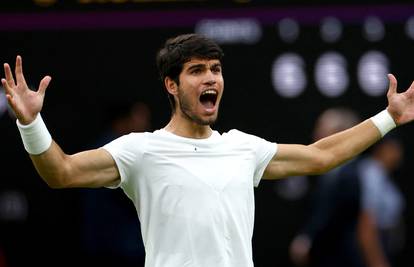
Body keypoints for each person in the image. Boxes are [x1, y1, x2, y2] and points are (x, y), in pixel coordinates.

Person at [2, 33, 414, 267]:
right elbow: (62, 172)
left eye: (214, 69)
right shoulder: (138, 152)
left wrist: (390, 117)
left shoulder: (243, 149)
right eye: (196, 70)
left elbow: (322, 156)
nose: (210, 78)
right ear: (171, 85)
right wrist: (30, 122)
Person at [289, 108, 405, 267]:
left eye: (322, 132)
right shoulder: (332, 173)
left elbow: (366, 224)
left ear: (341, 133)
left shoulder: (359, 173)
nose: (315, 137)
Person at [81, 101, 150, 266]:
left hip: (103, 245)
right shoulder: (118, 154)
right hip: (119, 248)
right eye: (139, 118)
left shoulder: (98, 150)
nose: (145, 126)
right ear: (123, 121)